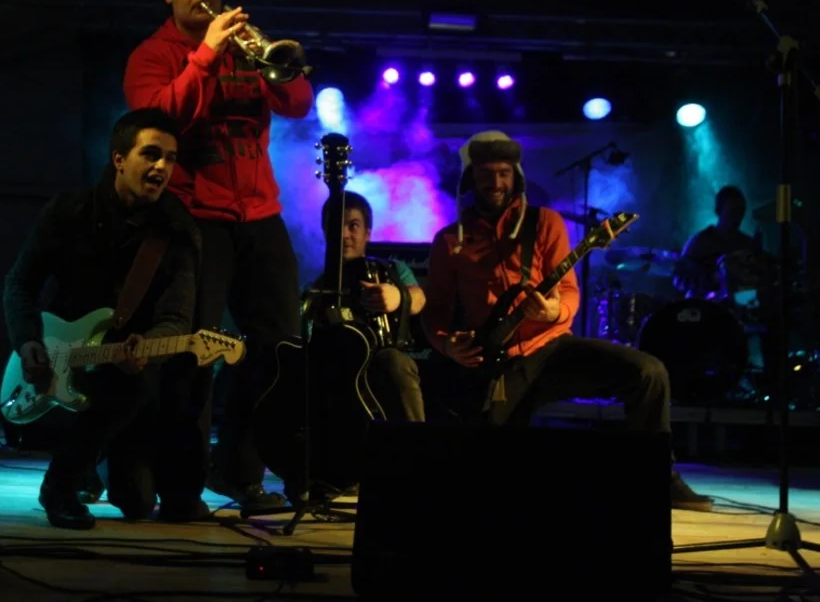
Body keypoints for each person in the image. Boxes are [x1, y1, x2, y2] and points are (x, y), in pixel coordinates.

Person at [420, 130, 714, 512]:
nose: (496, 182)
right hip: (496, 364)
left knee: (648, 372)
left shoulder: (545, 223)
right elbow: (435, 310)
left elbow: (570, 291)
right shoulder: (449, 240)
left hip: (551, 349)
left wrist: (553, 312)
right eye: (486, 173)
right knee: (488, 481)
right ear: (470, 178)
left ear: (516, 176)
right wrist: (447, 345)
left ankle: (659, 479)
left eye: (504, 173)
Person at [123, 0, 314, 513]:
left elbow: (298, 102)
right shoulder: (151, 55)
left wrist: (273, 59)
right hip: (193, 217)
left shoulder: (244, 45)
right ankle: (182, 486)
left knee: (278, 350)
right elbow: (160, 121)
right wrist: (205, 55)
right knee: (194, 353)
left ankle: (241, 473)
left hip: (259, 214)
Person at [3, 108, 209, 529]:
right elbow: (20, 283)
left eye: (170, 158)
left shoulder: (177, 230)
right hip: (60, 357)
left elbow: (177, 317)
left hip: (127, 369)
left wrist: (148, 348)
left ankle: (101, 460)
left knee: (136, 502)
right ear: (119, 158)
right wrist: (28, 342)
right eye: (151, 154)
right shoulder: (69, 211)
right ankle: (60, 486)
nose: (162, 167)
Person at [303, 191, 426, 422]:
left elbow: (419, 299)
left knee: (394, 362)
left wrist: (398, 297)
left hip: (381, 360)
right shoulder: (317, 285)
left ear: (367, 233)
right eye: (336, 226)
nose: (344, 234)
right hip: (333, 367)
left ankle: (415, 439)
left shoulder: (392, 269)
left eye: (353, 226)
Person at [674, 186, 766, 298]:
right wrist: (713, 278)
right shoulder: (699, 242)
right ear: (718, 211)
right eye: (732, 212)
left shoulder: (747, 244)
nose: (737, 217)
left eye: (741, 212)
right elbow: (679, 279)